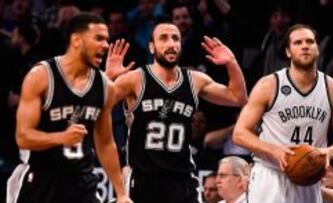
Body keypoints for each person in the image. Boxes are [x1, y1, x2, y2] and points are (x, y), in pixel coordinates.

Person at [105, 22, 247, 203]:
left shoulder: (195, 80)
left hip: (182, 180)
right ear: (151, 46)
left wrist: (231, 63)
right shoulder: (135, 79)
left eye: (175, 39)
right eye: (163, 38)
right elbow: (96, 106)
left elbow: (238, 98)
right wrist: (107, 78)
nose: (171, 43)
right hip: (144, 180)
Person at [6, 13, 131, 203]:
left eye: (106, 39)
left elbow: (105, 143)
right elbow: (23, 137)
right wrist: (60, 138)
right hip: (40, 180)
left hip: (81, 182)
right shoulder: (41, 76)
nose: (106, 45)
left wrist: (121, 193)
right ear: (76, 40)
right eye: (98, 38)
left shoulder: (105, 86)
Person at [233, 24, 333, 203]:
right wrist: (274, 151)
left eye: (310, 41)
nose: (305, 46)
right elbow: (240, 133)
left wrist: (329, 152)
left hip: (309, 177)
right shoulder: (269, 85)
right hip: (270, 174)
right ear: (288, 52)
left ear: (317, 49)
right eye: (298, 42)